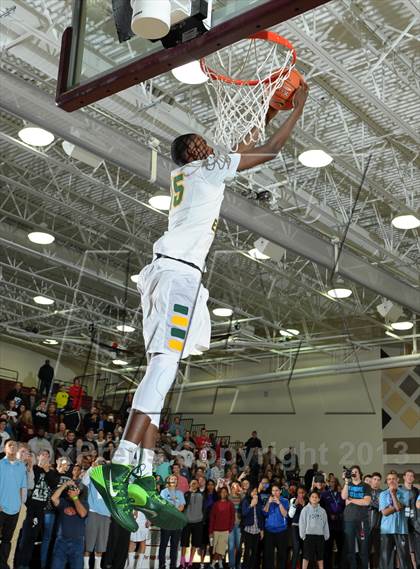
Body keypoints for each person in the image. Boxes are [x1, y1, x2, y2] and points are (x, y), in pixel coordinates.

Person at [89, 82, 308, 532]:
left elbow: (243, 145)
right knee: (164, 369)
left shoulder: (197, 174)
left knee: (160, 374)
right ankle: (119, 465)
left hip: (169, 275)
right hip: (177, 278)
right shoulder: (206, 171)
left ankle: (143, 477)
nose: (208, 145)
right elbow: (263, 153)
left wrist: (266, 107)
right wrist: (295, 110)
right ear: (190, 154)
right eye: (198, 143)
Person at [15, 449, 56, 569]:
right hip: (29, 507)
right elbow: (29, 483)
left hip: (40, 509)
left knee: (32, 537)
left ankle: (25, 564)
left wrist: (47, 470)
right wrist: (34, 466)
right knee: (24, 537)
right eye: (43, 454)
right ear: (38, 457)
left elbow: (53, 484)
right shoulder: (34, 469)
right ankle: (19, 563)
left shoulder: (51, 472)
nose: (45, 457)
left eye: (48, 456)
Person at [0, 440, 27, 568]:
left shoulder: (21, 466)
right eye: (10, 445)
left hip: (15, 509)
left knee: (7, 540)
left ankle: (3, 565)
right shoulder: (0, 464)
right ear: (5, 448)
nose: (13, 447)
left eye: (15, 445)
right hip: (0, 508)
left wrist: (20, 505)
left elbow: (22, 486)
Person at [50, 479, 88, 569]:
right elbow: (53, 498)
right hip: (61, 541)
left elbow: (82, 514)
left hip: (77, 543)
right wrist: (65, 485)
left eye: (74, 488)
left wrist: (75, 498)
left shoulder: (84, 503)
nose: (71, 490)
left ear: (79, 491)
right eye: (71, 488)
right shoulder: (64, 502)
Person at [341, 465, 371, 569]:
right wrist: (345, 481)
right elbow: (344, 497)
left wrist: (352, 500)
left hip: (362, 520)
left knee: (363, 549)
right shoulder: (347, 484)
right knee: (350, 549)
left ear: (360, 473)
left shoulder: (366, 486)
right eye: (352, 472)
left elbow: (366, 502)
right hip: (349, 520)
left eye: (356, 472)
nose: (354, 473)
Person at [82, 461, 111, 569]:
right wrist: (91, 468)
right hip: (93, 511)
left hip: (106, 514)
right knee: (89, 540)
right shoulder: (92, 477)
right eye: (99, 466)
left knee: (101, 542)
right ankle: (85, 565)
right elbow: (84, 481)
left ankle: (97, 566)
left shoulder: (109, 481)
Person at [379, 470, 410, 569]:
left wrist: (393, 494)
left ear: (398, 480)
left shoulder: (405, 493)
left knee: (404, 559)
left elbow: (399, 508)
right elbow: (385, 512)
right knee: (386, 560)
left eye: (393, 479)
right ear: (387, 481)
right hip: (386, 530)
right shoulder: (383, 494)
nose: (391, 481)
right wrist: (396, 506)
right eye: (389, 479)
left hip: (401, 530)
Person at [159, 475, 186, 569]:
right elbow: (163, 506)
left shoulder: (180, 493)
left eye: (175, 479)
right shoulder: (163, 492)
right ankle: (162, 565)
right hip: (166, 522)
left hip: (176, 523)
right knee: (163, 545)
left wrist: (174, 512)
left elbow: (182, 506)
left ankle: (173, 566)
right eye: (171, 478)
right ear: (168, 480)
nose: (173, 480)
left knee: (174, 546)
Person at [299, 489, 330, 569]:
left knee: (320, 557)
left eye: (316, 497)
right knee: (306, 557)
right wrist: (302, 535)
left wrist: (326, 535)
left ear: (319, 499)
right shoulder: (305, 510)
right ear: (309, 498)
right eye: (312, 497)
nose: (314, 498)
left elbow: (325, 524)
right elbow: (302, 523)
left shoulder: (323, 511)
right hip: (308, 536)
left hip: (320, 536)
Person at [262, 483, 289, 569]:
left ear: (280, 491)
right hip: (269, 531)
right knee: (269, 554)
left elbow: (285, 514)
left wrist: (279, 503)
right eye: (273, 490)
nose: (275, 492)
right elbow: (264, 513)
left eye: (276, 490)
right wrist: (268, 503)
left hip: (281, 531)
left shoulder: (285, 500)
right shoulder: (268, 500)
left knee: (281, 554)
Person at [180, 478, 205, 568]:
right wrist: (189, 493)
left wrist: (203, 519)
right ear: (190, 484)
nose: (194, 484)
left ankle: (190, 562)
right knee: (184, 543)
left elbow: (204, 508)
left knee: (195, 543)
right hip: (187, 522)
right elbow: (183, 505)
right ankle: (182, 561)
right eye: (192, 483)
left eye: (196, 483)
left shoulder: (202, 495)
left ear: (198, 485)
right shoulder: (186, 494)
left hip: (198, 522)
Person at [321, 476, 345, 569]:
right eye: (331, 482)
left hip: (339, 525)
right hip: (328, 526)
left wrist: (339, 516)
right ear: (328, 483)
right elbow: (322, 508)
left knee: (341, 548)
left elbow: (344, 507)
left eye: (334, 482)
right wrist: (329, 515)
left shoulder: (341, 494)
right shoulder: (324, 494)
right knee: (327, 549)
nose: (333, 483)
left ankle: (338, 565)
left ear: (337, 483)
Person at [209, 487, 235, 569]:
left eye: (225, 492)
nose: (223, 493)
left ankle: (212, 564)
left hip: (225, 530)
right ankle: (220, 564)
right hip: (216, 530)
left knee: (221, 548)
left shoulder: (230, 504)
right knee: (217, 549)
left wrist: (230, 528)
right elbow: (212, 518)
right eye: (221, 492)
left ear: (227, 493)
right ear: (219, 494)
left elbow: (232, 517)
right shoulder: (216, 504)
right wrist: (210, 531)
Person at [399, 469, 418, 569]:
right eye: (408, 475)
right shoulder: (399, 489)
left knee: (413, 548)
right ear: (404, 477)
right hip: (402, 522)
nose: (410, 477)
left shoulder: (416, 491)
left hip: (414, 523)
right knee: (402, 548)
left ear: (414, 478)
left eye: (412, 476)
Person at [241, 486, 264, 569]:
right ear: (249, 492)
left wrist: (261, 529)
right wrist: (251, 505)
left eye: (255, 491)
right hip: (248, 530)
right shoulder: (246, 501)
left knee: (255, 551)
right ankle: (245, 567)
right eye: (253, 491)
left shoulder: (259, 502)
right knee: (247, 551)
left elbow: (261, 517)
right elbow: (244, 513)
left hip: (257, 530)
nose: (254, 493)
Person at [289, 486, 307, 569]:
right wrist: (295, 505)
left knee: (304, 550)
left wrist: (304, 505)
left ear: (305, 493)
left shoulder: (307, 501)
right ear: (297, 493)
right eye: (299, 493)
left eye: (302, 493)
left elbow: (308, 516)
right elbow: (290, 515)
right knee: (296, 549)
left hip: (305, 528)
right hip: (295, 527)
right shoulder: (293, 500)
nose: (301, 495)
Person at [368, 472, 382, 569]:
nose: (376, 481)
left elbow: (382, 507)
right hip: (365, 526)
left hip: (378, 527)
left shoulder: (383, 493)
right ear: (371, 480)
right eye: (374, 479)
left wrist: (371, 503)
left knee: (378, 551)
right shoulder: (366, 491)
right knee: (365, 550)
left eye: (378, 480)